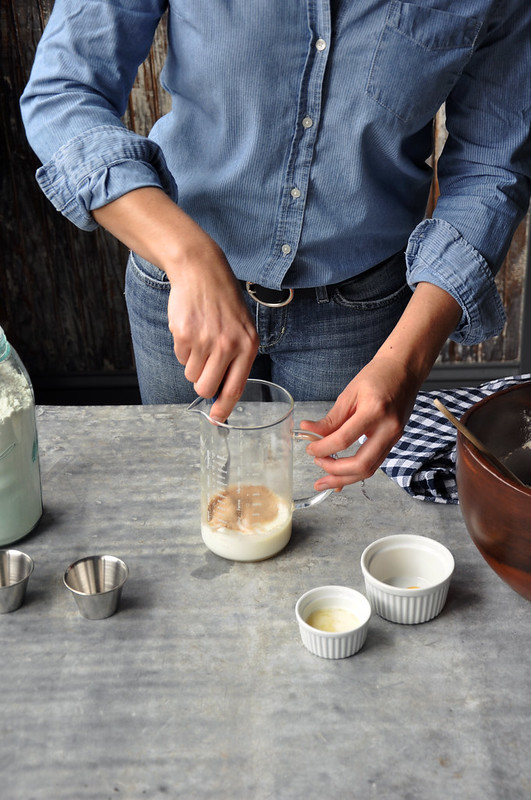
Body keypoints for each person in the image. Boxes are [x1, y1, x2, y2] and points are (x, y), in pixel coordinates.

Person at [20, 1, 531, 492]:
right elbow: (63, 89)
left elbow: (493, 164)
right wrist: (188, 256)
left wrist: (410, 360)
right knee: (192, 503)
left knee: (334, 533)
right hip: (181, 296)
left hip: (360, 315)